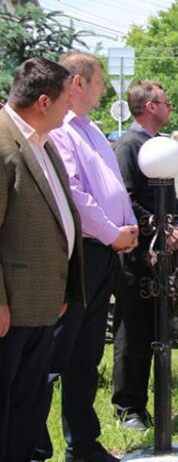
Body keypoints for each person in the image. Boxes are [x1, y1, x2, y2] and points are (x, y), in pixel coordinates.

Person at [38, 51, 139, 462]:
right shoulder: (60, 131)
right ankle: (32, 445)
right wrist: (114, 233)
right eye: (99, 83)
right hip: (79, 253)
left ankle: (83, 443)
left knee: (87, 354)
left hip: (106, 253)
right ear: (77, 83)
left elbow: (113, 187)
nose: (103, 92)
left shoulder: (93, 130)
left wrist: (127, 228)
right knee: (55, 355)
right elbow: (74, 195)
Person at [0, 58, 82, 462]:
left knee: (27, 409)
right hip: (10, 307)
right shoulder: (3, 142)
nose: (71, 108)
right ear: (45, 101)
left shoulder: (42, 142)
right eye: (68, 99)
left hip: (42, 302)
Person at [111, 80, 178, 431]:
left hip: (161, 254)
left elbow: (164, 199)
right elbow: (126, 197)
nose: (170, 108)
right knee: (133, 330)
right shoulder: (130, 145)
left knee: (153, 331)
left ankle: (150, 404)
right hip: (137, 255)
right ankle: (128, 407)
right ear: (149, 106)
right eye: (166, 102)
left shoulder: (158, 147)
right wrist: (159, 227)